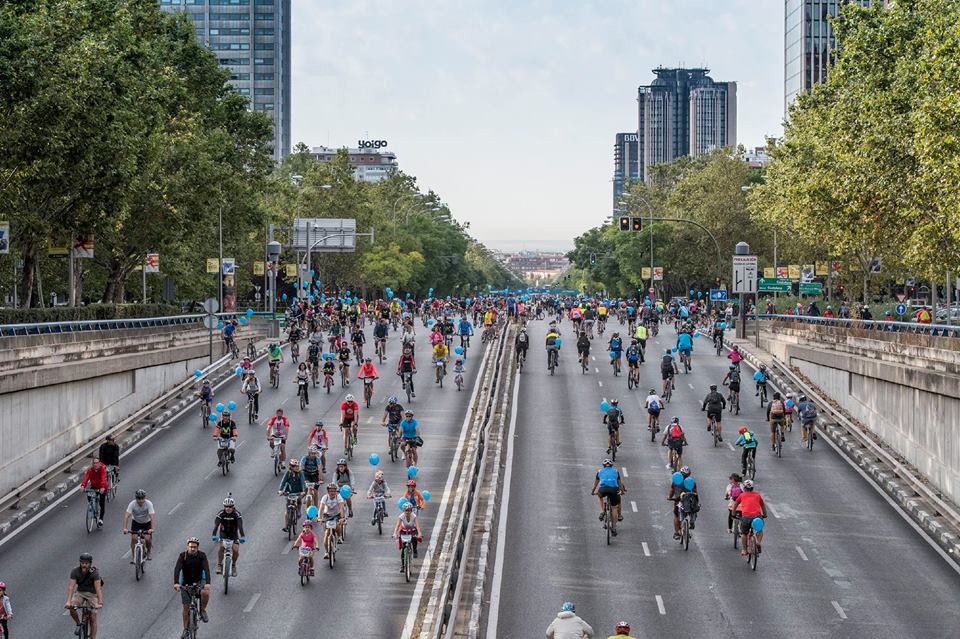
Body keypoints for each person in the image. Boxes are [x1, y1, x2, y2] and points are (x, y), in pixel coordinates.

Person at [174, 537, 211, 635]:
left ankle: (202, 610)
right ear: (187, 547)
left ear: (198, 547)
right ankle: (186, 629)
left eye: (194, 547)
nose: (192, 549)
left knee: (205, 592)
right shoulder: (182, 556)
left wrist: (207, 583)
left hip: (199, 581)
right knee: (186, 607)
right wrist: (176, 583)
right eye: (191, 547)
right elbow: (177, 569)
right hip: (186, 583)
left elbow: (206, 569)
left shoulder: (202, 556)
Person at [65, 553, 103, 639]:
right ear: (80, 563)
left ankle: (93, 637)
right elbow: (71, 587)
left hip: (92, 594)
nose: (84, 565)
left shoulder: (95, 573)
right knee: (72, 607)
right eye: (82, 563)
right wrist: (68, 601)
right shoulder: (75, 571)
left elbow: (98, 588)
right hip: (80, 593)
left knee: (93, 617)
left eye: (86, 563)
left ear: (90, 563)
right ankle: (79, 623)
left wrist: (99, 601)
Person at [211, 495, 245, 576]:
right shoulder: (221, 513)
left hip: (234, 535)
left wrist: (242, 536)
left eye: (230, 506)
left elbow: (240, 526)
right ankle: (219, 564)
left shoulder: (237, 514)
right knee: (222, 547)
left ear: (233, 507)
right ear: (224, 506)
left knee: (236, 550)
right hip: (224, 534)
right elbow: (216, 525)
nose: (228, 508)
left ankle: (233, 565)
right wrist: (214, 535)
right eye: (226, 506)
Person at [590, 459, 625, 537]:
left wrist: (593, 492)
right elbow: (620, 484)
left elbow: (595, 485)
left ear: (603, 466)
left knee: (600, 497)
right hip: (613, 490)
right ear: (612, 466)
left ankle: (602, 511)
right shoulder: (616, 471)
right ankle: (614, 528)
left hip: (603, 489)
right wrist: (622, 492)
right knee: (614, 507)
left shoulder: (599, 471)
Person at [734, 479, 767, 555]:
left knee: (744, 534)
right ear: (752, 488)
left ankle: (745, 550)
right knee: (760, 531)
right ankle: (758, 542)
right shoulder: (757, 495)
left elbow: (736, 504)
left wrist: (733, 513)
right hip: (757, 516)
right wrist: (765, 515)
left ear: (744, 488)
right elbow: (762, 505)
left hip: (746, 517)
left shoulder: (742, 495)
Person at [122, 489, 155, 560]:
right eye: (138, 498)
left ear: (144, 498)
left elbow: (152, 516)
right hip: (136, 523)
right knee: (134, 539)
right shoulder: (132, 504)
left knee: (147, 539)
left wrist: (152, 528)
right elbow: (126, 516)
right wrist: (125, 528)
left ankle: (148, 552)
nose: (140, 500)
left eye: (142, 498)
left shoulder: (148, 504)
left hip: (146, 523)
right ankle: (134, 558)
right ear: (136, 498)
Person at [668, 466, 697, 540]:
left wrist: (669, 497)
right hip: (690, 500)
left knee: (676, 515)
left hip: (679, 501)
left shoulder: (676, 482)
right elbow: (695, 492)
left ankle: (677, 533)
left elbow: (672, 491)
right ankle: (692, 522)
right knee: (694, 509)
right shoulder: (691, 482)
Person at [278, 458, 306, 532]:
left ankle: (299, 510)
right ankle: (286, 526)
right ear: (291, 466)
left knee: (299, 500)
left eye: (297, 466)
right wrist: (280, 490)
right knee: (287, 510)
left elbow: (303, 482)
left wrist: (303, 490)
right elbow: (283, 482)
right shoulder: (288, 473)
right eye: (294, 466)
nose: (296, 467)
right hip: (289, 493)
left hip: (299, 492)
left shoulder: (300, 473)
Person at [319, 482, 347, 557]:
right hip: (327, 515)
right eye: (331, 491)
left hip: (336, 514)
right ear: (328, 491)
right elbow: (321, 508)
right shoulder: (325, 497)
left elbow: (341, 508)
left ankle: (339, 536)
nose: (332, 492)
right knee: (326, 534)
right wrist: (319, 518)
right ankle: (327, 552)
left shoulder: (338, 497)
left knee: (337, 526)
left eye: (334, 491)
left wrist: (342, 518)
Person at [80, 457, 109, 527]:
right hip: (94, 486)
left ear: (99, 463)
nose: (95, 464)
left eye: (97, 463)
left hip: (102, 487)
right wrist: (83, 486)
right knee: (89, 493)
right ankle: (91, 505)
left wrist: (102, 487)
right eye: (94, 463)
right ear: (92, 464)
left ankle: (101, 519)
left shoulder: (102, 469)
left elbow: (104, 478)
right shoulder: (90, 470)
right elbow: (86, 478)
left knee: (102, 503)